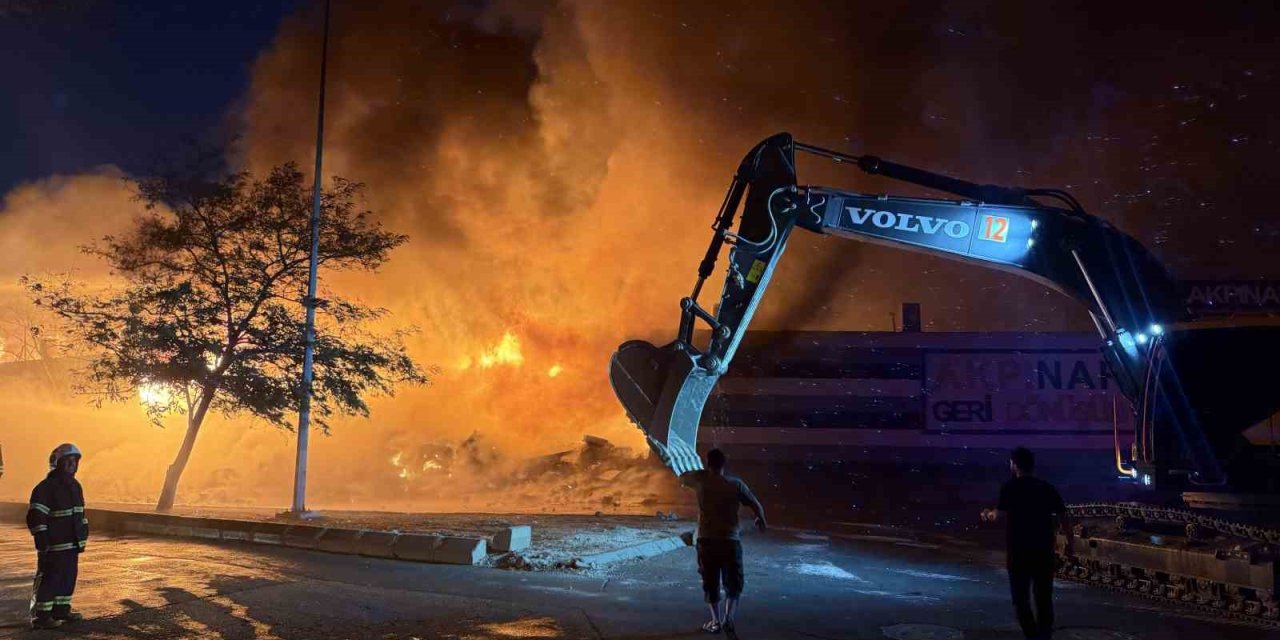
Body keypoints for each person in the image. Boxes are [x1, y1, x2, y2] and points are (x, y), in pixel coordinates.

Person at [981, 447, 1073, 640]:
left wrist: (987, 514)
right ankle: (1044, 636)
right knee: (1044, 599)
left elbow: (999, 515)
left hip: (1019, 552)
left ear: (1014, 465)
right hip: (1043, 551)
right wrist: (1069, 545)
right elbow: (1064, 517)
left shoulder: (1010, 488)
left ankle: (1032, 636)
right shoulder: (1046, 487)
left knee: (1021, 600)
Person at [679, 448, 767, 635]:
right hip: (730, 539)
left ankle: (715, 621)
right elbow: (756, 504)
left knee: (710, 582)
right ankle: (729, 619)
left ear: (708, 463)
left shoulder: (701, 480)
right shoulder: (736, 484)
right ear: (724, 464)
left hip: (707, 539)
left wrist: (702, 471)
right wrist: (761, 519)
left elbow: (682, 477)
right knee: (734, 582)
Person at [26, 443, 89, 630]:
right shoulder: (45, 488)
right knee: (50, 579)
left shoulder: (75, 487)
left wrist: (82, 536)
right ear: (57, 463)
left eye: (74, 461)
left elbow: (80, 514)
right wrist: (42, 539)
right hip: (53, 545)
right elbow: (36, 515)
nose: (72, 464)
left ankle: (61, 610)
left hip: (71, 544)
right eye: (67, 461)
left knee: (68, 578)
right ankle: (42, 617)